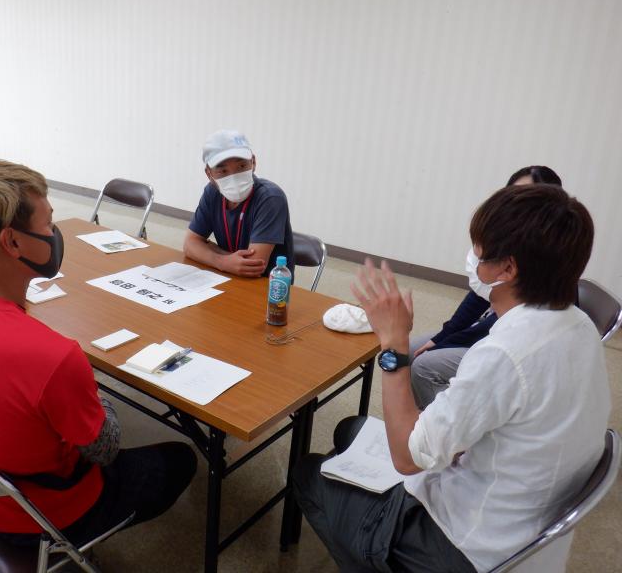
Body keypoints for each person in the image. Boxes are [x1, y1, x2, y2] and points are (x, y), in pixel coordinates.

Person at [293, 184, 609, 572]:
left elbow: (407, 459)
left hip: (465, 545)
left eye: (478, 253)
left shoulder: (505, 354)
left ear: (508, 268)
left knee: (307, 472)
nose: (473, 262)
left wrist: (394, 346)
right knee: (350, 429)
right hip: (523, 518)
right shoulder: (579, 326)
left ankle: (378, 558)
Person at [0, 159, 197, 546]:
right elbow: (105, 448)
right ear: (12, 242)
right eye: (47, 223)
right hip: (51, 513)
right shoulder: (53, 355)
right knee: (183, 457)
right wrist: (96, 395)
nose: (54, 233)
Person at [410, 166, 563, 408]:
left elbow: (496, 331)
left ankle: (439, 432)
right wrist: (443, 336)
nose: (515, 207)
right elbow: (479, 295)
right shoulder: (506, 252)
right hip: (489, 335)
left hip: (500, 345)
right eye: (512, 197)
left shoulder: (540, 273)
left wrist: (444, 343)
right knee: (412, 350)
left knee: (423, 365)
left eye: (529, 201)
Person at [184, 129, 294, 277]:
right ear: (209, 174)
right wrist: (223, 261)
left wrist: (210, 250)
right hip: (226, 277)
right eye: (223, 171)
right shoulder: (212, 193)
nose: (234, 177)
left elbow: (253, 266)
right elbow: (189, 245)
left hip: (267, 288)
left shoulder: (270, 198)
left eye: (241, 166)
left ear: (253, 162)